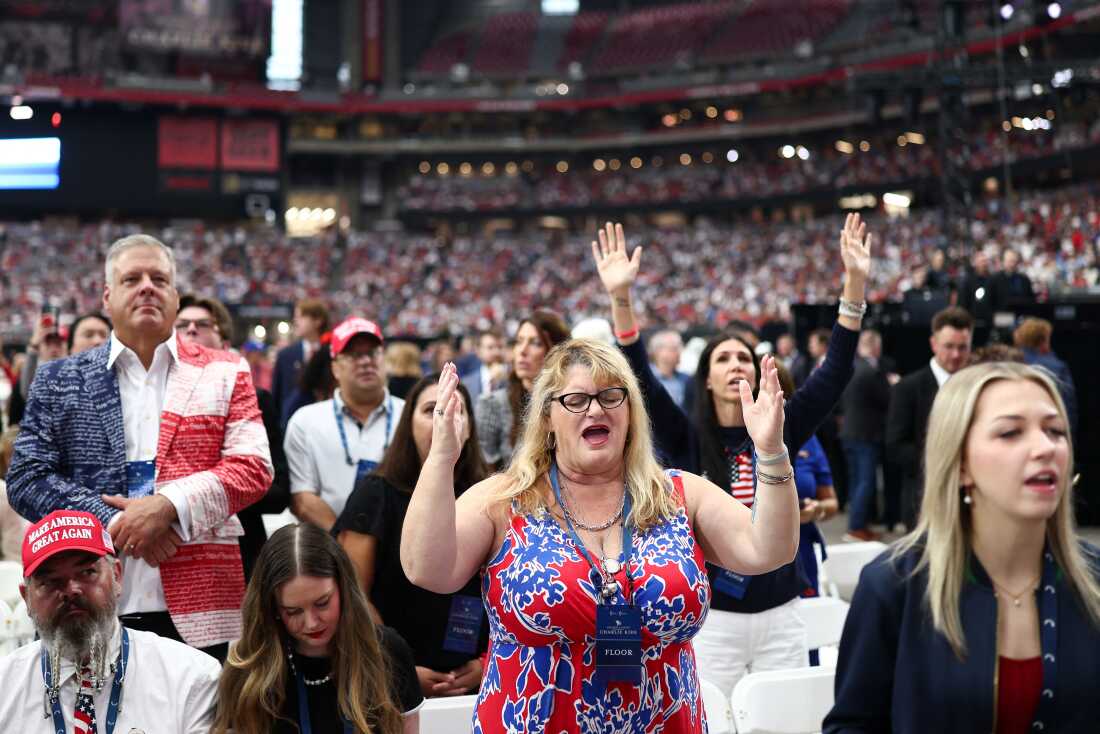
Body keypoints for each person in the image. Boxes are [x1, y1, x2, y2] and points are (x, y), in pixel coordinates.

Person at [401, 341, 798, 731]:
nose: (595, 409)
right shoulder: (503, 499)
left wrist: (771, 451)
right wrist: (441, 459)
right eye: (576, 400)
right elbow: (426, 568)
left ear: (630, 412)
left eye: (610, 396)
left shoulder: (678, 494)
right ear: (547, 418)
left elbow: (769, 548)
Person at [592, 216, 869, 698]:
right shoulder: (687, 436)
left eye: (744, 356)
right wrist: (621, 298)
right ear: (706, 378)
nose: (735, 364)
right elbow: (638, 376)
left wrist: (855, 284)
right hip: (713, 618)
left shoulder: (780, 426)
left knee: (781, 720)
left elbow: (835, 371)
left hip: (783, 611)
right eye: (723, 358)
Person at [6, 234, 274, 658]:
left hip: (201, 605)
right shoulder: (59, 378)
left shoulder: (225, 371)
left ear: (175, 297)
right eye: (132, 279)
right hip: (85, 601)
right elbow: (26, 478)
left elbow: (253, 467)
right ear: (107, 297)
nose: (147, 287)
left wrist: (168, 507)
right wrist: (117, 522)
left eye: (159, 279)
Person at [824, 362, 1100, 733]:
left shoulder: (1093, 580)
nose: (1044, 447)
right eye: (1010, 433)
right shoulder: (894, 586)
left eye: (1055, 431)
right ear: (961, 464)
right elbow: (852, 725)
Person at [335, 374, 490, 697]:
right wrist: (398, 666)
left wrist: (487, 661)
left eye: (456, 409)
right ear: (409, 423)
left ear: (470, 427)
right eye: (432, 410)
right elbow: (353, 595)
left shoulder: (489, 495)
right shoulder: (376, 493)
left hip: (479, 680)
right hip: (391, 678)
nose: (445, 419)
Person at [0, 509, 221, 732]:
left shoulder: (190, 678)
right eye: (49, 581)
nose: (71, 590)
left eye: (87, 572)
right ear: (26, 598)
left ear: (117, 575)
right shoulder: (4, 688)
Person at [213, 523, 423, 734]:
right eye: (293, 611)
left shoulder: (387, 651)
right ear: (272, 608)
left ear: (343, 587)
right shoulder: (248, 668)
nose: (312, 623)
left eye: (322, 603)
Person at [175, 293, 291, 581]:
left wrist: (192, 496)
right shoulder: (152, 402)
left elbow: (278, 492)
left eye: (203, 324)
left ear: (225, 344)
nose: (191, 330)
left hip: (241, 555)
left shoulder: (256, 399)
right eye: (182, 325)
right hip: (171, 554)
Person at [285, 316, 404, 530]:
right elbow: (302, 499)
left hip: (401, 543)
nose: (366, 361)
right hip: (328, 544)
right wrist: (344, 542)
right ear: (335, 368)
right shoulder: (305, 422)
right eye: (354, 354)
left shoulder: (410, 416)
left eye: (373, 353)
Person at [887, 306, 973, 530]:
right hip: (923, 501)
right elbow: (895, 446)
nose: (956, 355)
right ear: (934, 344)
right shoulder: (908, 388)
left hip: (972, 503)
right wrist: (944, 465)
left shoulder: (977, 386)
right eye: (949, 346)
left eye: (963, 347)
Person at [475, 310, 570, 468]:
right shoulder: (492, 404)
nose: (522, 351)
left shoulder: (571, 403)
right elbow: (485, 470)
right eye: (519, 342)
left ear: (556, 352)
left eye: (536, 343)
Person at [840, 329, 893, 541]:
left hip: (849, 432)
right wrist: (892, 385)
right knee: (865, 482)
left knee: (856, 481)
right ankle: (856, 527)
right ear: (876, 347)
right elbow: (886, 399)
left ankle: (857, 524)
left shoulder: (850, 368)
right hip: (866, 434)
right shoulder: (871, 371)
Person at [1013, 317, 1077, 436]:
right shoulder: (1057, 367)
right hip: (1049, 431)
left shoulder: (1009, 363)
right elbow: (1067, 408)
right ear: (1043, 340)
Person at [274, 298, 330, 427]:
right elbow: (277, 397)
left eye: (301, 317)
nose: (296, 321)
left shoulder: (333, 353)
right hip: (291, 426)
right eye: (295, 317)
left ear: (318, 320)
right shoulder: (285, 355)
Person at [648, 329, 692, 410]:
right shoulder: (645, 377)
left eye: (680, 348)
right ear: (658, 351)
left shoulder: (687, 379)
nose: (680, 352)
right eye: (674, 348)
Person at [461, 329, 506, 406]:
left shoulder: (513, 379)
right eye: (490, 347)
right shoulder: (466, 384)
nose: (496, 352)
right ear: (478, 351)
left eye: (500, 347)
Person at [989, 248, 1035, 312]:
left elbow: (1030, 299)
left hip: (1021, 313)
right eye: (1009, 261)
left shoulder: (1024, 279)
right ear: (1003, 262)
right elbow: (990, 301)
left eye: (1014, 261)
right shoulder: (994, 279)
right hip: (1001, 314)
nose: (1012, 264)